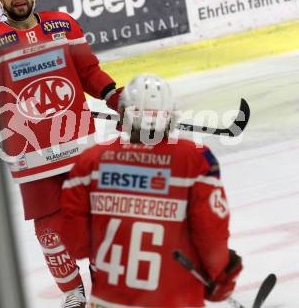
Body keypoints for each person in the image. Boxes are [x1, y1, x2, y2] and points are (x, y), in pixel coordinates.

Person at [0, 0, 122, 307]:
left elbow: (87, 70)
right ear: (0, 0)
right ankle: (73, 294)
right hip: (31, 154)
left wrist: (112, 96)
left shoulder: (64, 25)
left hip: (79, 144)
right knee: (50, 233)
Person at [60, 74, 243, 307]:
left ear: (124, 114)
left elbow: (77, 244)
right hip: (174, 298)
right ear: (169, 115)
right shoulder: (196, 159)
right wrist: (220, 278)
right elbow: (210, 233)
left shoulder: (90, 162)